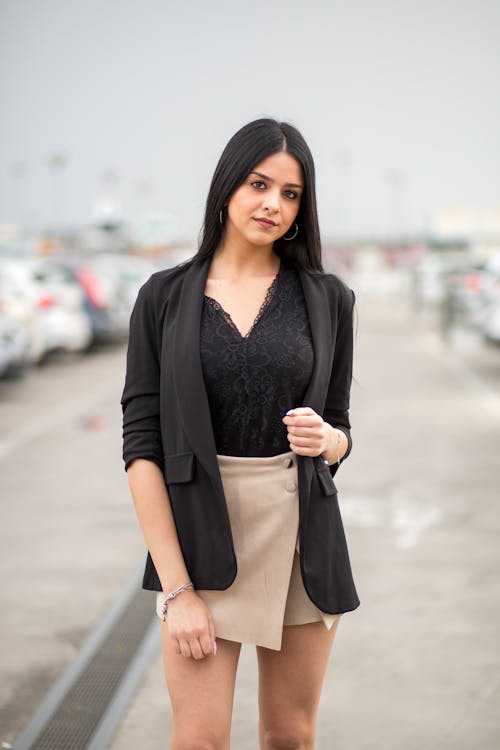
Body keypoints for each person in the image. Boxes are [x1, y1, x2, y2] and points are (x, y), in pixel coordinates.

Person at [121, 117, 359, 749]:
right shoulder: (163, 297)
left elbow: (340, 430)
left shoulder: (328, 298)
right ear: (228, 185)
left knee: (289, 736)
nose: (273, 204)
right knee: (199, 740)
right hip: (200, 534)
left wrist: (327, 441)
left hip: (301, 534)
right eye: (260, 184)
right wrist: (177, 589)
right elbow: (142, 447)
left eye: (291, 193)